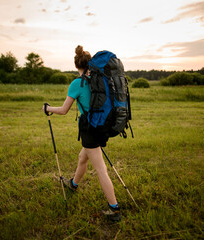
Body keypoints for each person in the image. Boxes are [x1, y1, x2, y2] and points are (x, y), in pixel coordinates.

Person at [42, 45, 121, 222]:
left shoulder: (77, 83)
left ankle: (114, 209)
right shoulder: (100, 79)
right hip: (103, 125)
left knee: (101, 169)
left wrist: (48, 109)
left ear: (76, 65)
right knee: (82, 157)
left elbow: (63, 110)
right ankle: (73, 184)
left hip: (90, 129)